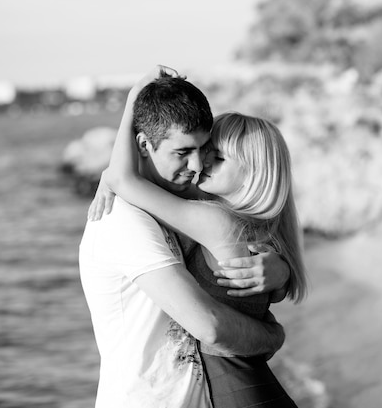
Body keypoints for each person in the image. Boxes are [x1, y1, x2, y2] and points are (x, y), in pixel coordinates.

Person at [92, 65, 307, 407]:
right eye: (198, 152)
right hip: (240, 386)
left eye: (214, 155)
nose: (199, 164)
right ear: (145, 145)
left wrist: (135, 99)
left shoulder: (216, 221)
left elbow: (126, 181)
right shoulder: (250, 227)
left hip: (238, 390)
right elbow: (127, 180)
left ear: (253, 175)